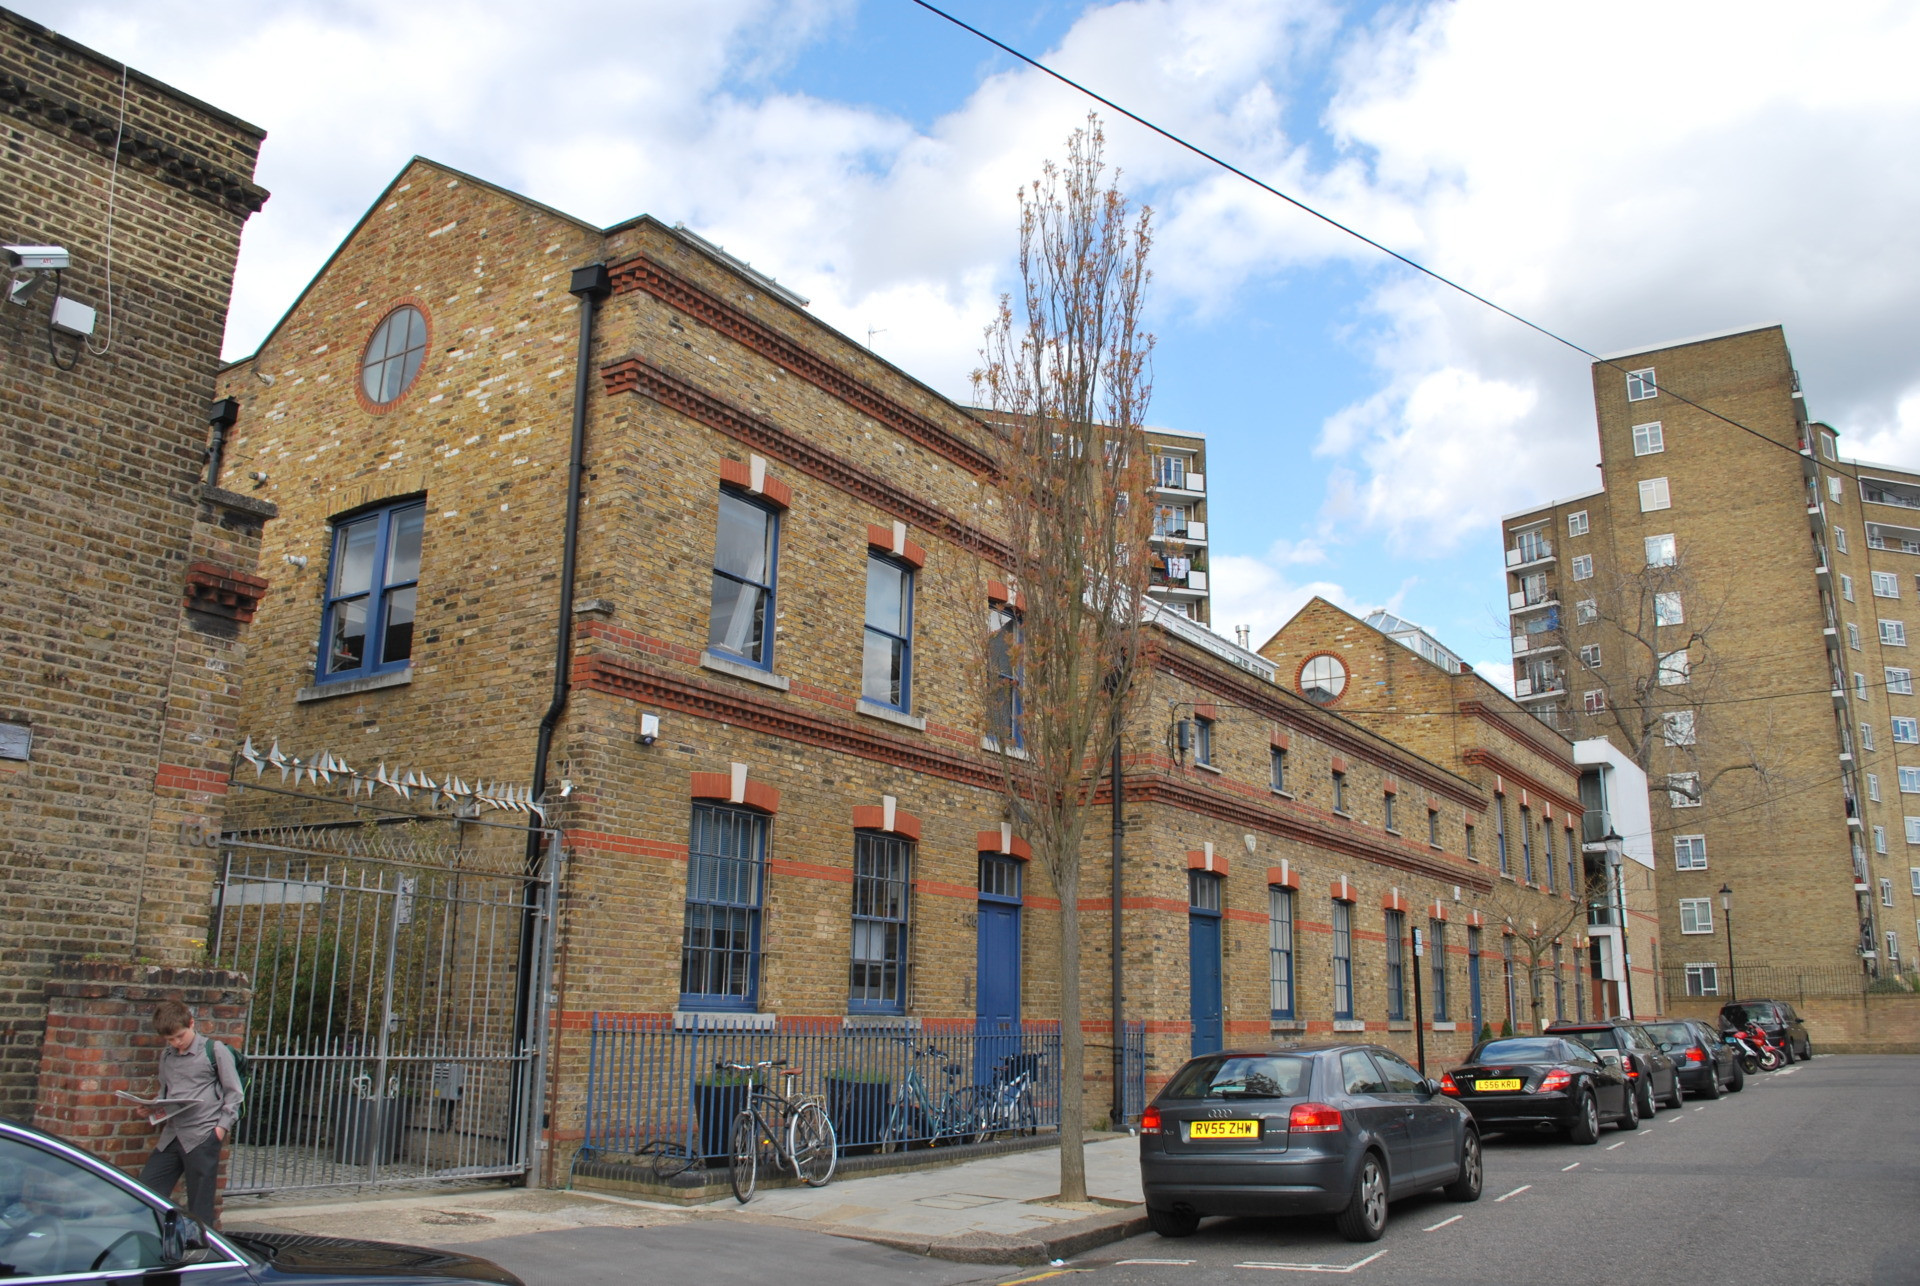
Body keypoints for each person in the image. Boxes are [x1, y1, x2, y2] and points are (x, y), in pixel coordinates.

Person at [137, 1001, 243, 1226]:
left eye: (180, 1036)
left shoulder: (214, 1050)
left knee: (200, 1206)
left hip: (203, 1134)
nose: (177, 1043)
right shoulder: (167, 1056)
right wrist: (151, 1108)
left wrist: (220, 1129)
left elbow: (234, 1093)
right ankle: (162, 1237)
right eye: (170, 1040)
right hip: (172, 1135)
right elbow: (166, 1094)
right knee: (147, 1189)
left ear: (191, 1023)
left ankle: (203, 1251)